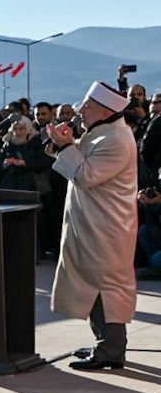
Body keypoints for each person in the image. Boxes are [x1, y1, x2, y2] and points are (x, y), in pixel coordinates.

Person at [46, 82, 138, 371]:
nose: (80, 111)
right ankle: (106, 343)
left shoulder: (116, 140)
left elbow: (86, 176)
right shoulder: (102, 133)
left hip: (106, 229)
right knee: (94, 286)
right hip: (94, 225)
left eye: (87, 107)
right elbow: (77, 163)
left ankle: (110, 350)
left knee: (106, 289)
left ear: (104, 111)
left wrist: (65, 147)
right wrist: (63, 145)